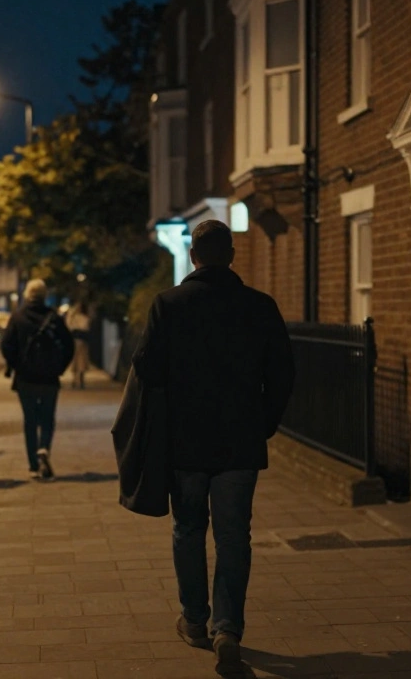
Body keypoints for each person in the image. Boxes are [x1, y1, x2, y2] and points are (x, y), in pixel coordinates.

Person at [131, 220, 295, 678]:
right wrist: (264, 422)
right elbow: (283, 372)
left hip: (185, 442)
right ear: (233, 255)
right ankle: (228, 628)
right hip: (240, 442)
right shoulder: (260, 306)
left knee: (188, 529)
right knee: (233, 535)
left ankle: (195, 619)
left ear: (193, 257)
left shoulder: (169, 305)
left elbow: (147, 367)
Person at [1, 278, 74, 480]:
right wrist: (59, 368)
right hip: (49, 377)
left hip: (26, 378)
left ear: (27, 294)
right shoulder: (53, 317)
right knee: (48, 417)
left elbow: (6, 345)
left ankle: (33, 465)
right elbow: (69, 345)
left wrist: (17, 365)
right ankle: (44, 448)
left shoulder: (18, 317)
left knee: (30, 420)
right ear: (44, 295)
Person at [65, 301, 92, 389]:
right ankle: (80, 380)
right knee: (81, 361)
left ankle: (76, 380)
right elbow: (86, 328)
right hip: (81, 341)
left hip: (76, 341)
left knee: (77, 361)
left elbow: (69, 326)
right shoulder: (83, 318)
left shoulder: (74, 318)